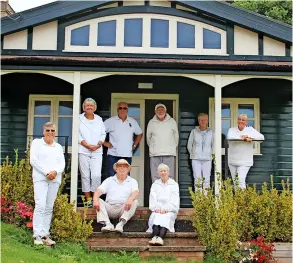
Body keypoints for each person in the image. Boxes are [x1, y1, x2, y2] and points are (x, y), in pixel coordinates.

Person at [30, 122, 65, 246]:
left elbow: (62, 164)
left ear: (55, 133)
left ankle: (45, 235)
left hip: (55, 179)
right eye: (48, 130)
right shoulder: (36, 143)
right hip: (41, 178)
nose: (50, 133)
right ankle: (37, 235)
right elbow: (33, 160)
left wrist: (55, 172)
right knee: (40, 205)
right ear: (43, 132)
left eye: (52, 131)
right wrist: (46, 173)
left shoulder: (58, 147)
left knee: (49, 207)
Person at [93, 159, 139, 233]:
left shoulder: (132, 181)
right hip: (110, 207)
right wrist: (95, 200)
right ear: (116, 169)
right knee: (97, 199)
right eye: (120, 166)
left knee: (135, 201)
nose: (122, 168)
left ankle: (120, 224)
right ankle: (108, 224)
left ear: (128, 169)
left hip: (124, 208)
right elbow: (99, 190)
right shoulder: (109, 180)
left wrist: (130, 199)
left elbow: (136, 192)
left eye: (124, 166)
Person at [78, 98, 106, 206]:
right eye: (87, 105)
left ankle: (95, 198)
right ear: (84, 107)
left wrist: (98, 144)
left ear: (95, 107)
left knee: (96, 175)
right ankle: (88, 199)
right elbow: (77, 134)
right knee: (85, 175)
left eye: (91, 105)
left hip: (97, 151)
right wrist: (86, 145)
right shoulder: (79, 119)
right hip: (83, 150)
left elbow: (103, 134)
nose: (89, 107)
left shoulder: (99, 119)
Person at [104, 102, 143, 176]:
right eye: (120, 108)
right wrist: (105, 143)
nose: (122, 110)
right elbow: (99, 132)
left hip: (127, 155)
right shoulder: (110, 121)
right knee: (112, 177)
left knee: (125, 177)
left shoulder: (132, 121)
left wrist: (134, 145)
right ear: (117, 110)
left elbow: (140, 134)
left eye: (124, 108)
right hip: (113, 155)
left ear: (127, 110)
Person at [227, 114, 265, 189]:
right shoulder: (232, 130)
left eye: (243, 120)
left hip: (245, 161)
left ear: (246, 122)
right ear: (237, 120)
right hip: (232, 160)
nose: (241, 121)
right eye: (239, 119)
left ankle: (243, 200)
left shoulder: (250, 130)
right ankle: (238, 199)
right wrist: (243, 138)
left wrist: (250, 137)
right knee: (235, 182)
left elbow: (261, 138)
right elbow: (229, 137)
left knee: (240, 181)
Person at [147, 163, 180, 246]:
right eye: (161, 171)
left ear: (168, 172)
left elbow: (175, 200)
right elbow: (153, 198)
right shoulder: (155, 184)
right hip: (157, 209)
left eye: (164, 171)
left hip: (169, 210)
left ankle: (160, 238)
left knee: (166, 217)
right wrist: (157, 208)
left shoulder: (174, 185)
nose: (163, 173)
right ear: (158, 173)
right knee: (156, 216)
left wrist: (167, 209)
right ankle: (155, 237)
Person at [147, 103, 179, 183]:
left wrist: (171, 148)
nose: (160, 111)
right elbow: (148, 138)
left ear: (165, 111)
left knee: (169, 176)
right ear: (155, 111)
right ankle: (157, 195)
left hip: (169, 154)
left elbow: (176, 137)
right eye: (158, 110)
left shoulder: (172, 122)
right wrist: (153, 148)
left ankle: (168, 195)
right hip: (155, 154)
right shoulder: (151, 122)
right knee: (155, 176)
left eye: (162, 109)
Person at [187, 113, 214, 191]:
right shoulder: (194, 131)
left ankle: (206, 201)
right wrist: (193, 154)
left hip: (207, 159)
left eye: (205, 119)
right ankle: (199, 201)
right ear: (198, 121)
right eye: (201, 120)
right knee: (197, 179)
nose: (203, 121)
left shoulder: (211, 132)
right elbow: (189, 145)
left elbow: (214, 145)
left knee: (206, 180)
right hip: (196, 159)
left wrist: (211, 155)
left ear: (207, 121)